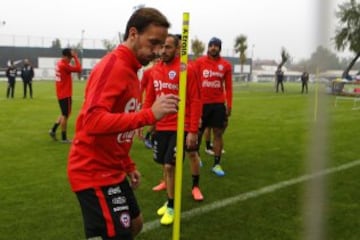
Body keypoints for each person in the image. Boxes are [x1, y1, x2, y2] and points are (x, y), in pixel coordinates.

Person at [67, 8, 177, 240]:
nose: (157, 52)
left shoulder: (133, 71)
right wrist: (150, 114)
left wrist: (127, 164)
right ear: (133, 34)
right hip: (93, 171)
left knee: (135, 225)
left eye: (162, 45)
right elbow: (93, 121)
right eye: (153, 43)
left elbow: (117, 130)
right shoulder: (114, 66)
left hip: (113, 169)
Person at [143, 34, 202, 225]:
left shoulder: (186, 70)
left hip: (180, 127)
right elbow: (150, 97)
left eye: (168, 47)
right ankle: (169, 201)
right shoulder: (155, 70)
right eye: (161, 47)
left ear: (178, 49)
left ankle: (171, 206)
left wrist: (192, 131)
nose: (163, 51)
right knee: (164, 166)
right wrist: (145, 120)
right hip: (161, 126)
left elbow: (195, 100)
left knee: (170, 166)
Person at [194, 37, 232, 177]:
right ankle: (196, 157)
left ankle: (216, 164)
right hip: (201, 104)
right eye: (211, 45)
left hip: (218, 104)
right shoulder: (199, 62)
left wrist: (229, 104)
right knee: (197, 132)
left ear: (220, 48)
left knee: (218, 133)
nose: (213, 48)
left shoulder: (226, 65)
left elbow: (228, 87)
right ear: (208, 47)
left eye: (216, 46)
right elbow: (193, 82)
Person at [48, 48, 82, 143]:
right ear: (67, 57)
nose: (71, 59)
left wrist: (72, 56)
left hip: (61, 93)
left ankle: (53, 130)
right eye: (70, 57)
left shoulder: (60, 63)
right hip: (65, 94)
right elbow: (79, 69)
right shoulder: (64, 65)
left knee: (65, 113)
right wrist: (75, 57)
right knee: (65, 115)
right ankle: (64, 137)